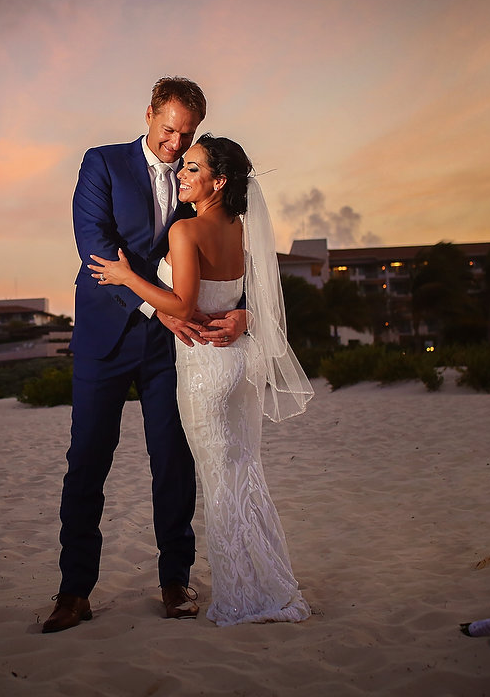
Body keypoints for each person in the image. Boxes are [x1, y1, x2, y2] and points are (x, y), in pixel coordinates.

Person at [44, 78, 247, 634]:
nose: (175, 144)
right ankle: (74, 590)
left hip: (171, 349)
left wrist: (244, 309)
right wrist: (158, 310)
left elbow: (218, 252)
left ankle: (175, 580)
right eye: (168, 129)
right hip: (105, 340)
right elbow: (95, 247)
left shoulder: (193, 185)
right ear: (150, 114)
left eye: (186, 135)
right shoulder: (102, 164)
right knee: (87, 462)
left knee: (173, 463)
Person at [89, 134, 314, 626]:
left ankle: (242, 597)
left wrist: (129, 278)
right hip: (242, 364)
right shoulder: (240, 229)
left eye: (192, 169)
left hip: (206, 371)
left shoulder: (186, 232)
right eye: (183, 167)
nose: (181, 175)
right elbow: (256, 301)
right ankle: (272, 582)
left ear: (219, 180)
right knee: (246, 474)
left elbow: (183, 306)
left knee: (220, 482)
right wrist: (245, 318)